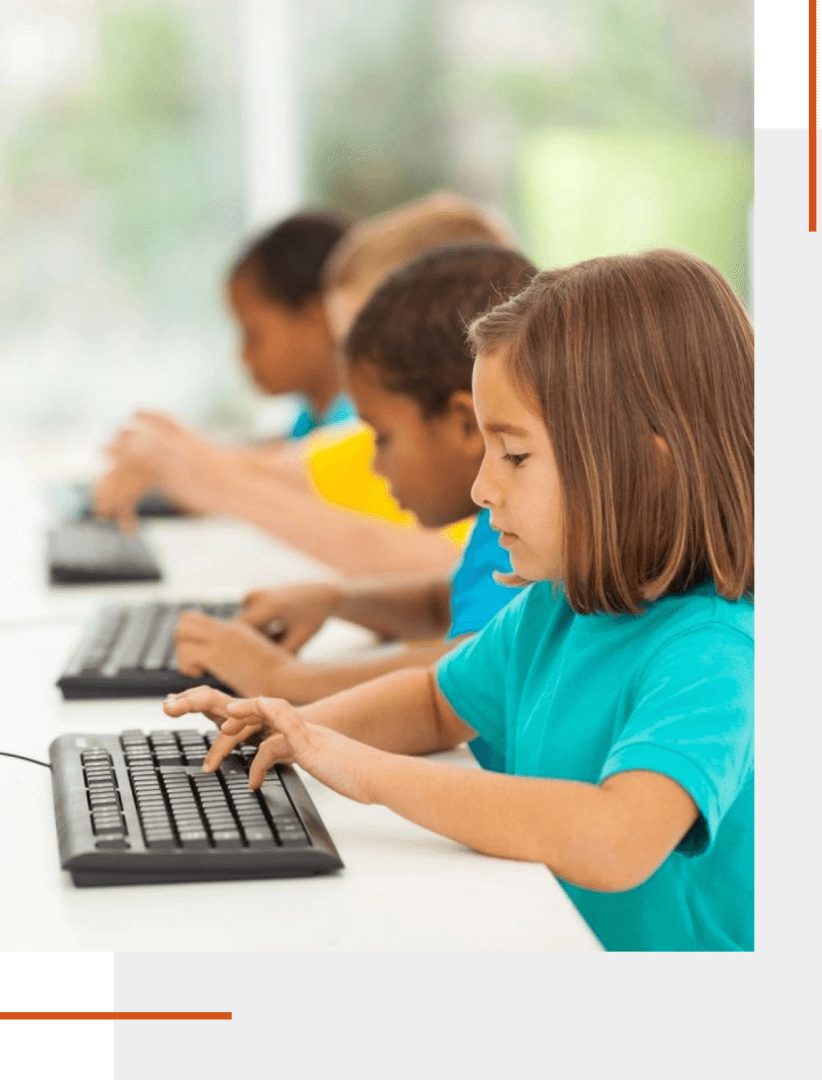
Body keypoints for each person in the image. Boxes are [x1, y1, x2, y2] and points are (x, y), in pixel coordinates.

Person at [165, 248, 754, 952]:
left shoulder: (713, 655)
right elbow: (433, 702)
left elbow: (617, 837)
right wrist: (296, 732)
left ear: (647, 468)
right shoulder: (556, 607)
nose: (482, 488)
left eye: (515, 456)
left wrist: (367, 773)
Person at [172, 243, 537, 771]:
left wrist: (286, 684)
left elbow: (463, 669)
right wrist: (337, 599)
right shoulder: (497, 527)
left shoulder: (523, 526)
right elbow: (451, 602)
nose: (374, 464)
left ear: (464, 424)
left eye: (383, 437)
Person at [94, 192, 517, 576]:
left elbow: (438, 571)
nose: (352, 373)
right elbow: (267, 467)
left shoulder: (509, 491)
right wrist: (172, 456)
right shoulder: (369, 442)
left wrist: (206, 477)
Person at [93, 209, 356, 532]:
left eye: (252, 333)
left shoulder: (359, 420)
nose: (242, 357)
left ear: (320, 321)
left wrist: (188, 461)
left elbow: (309, 479)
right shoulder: (315, 416)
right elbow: (283, 458)